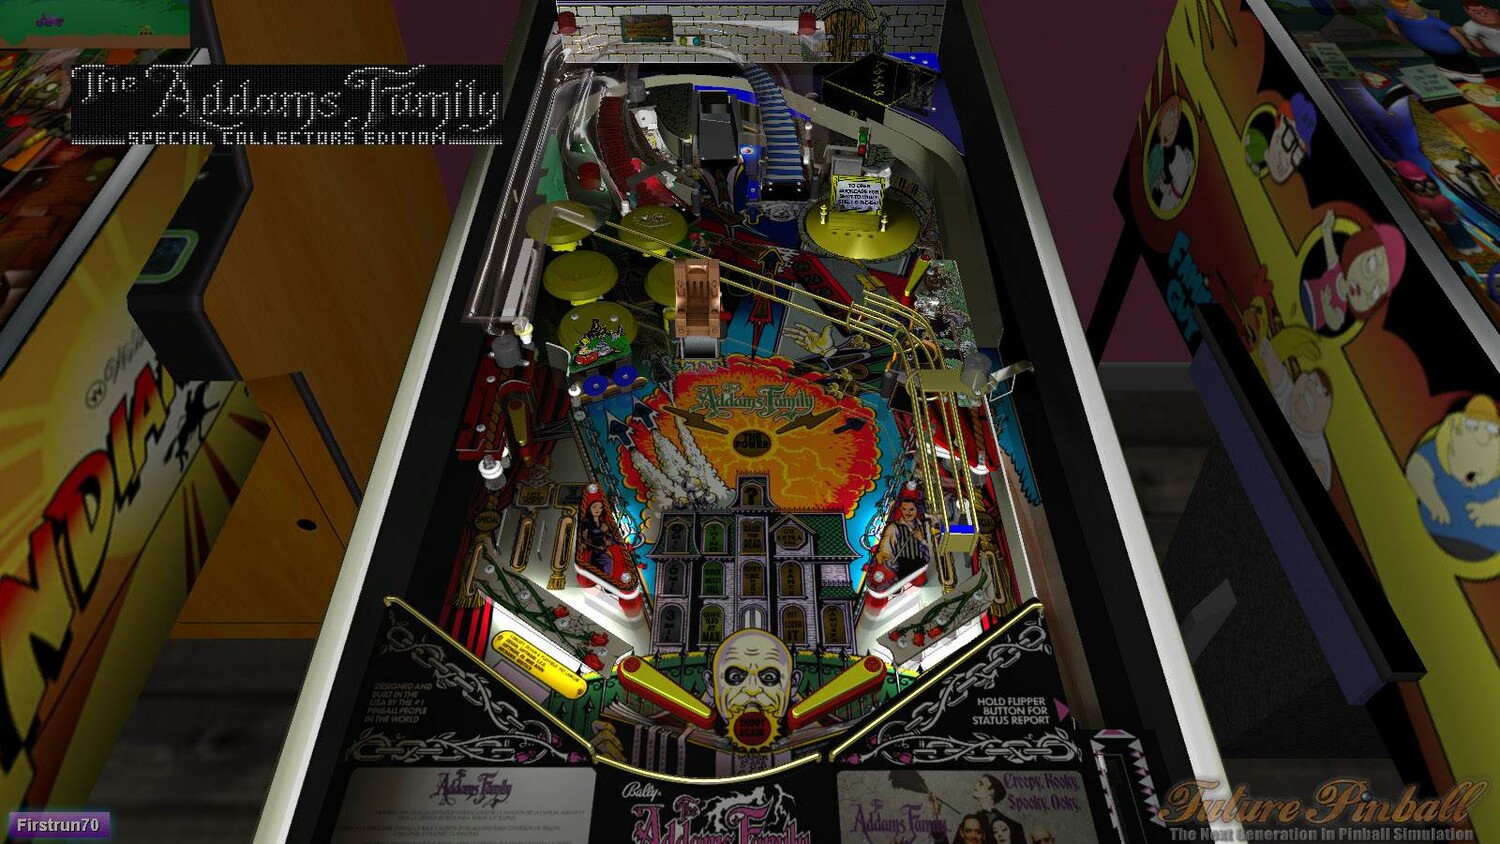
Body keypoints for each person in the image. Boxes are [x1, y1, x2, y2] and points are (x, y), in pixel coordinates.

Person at [1405, 394, 1500, 560]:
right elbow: (1416, 468)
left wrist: (1493, 512)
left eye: (1491, 429)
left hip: (1485, 546)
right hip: (1436, 534)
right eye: (1473, 425)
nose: (1483, 436)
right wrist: (1433, 502)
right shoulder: (1441, 449)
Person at [1299, 210, 1407, 333]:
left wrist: (1326, 307)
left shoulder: (1342, 305)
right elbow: (1330, 253)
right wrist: (1326, 230)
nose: (1366, 286)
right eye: (1371, 263)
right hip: (1304, 290)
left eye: (1376, 291)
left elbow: (1335, 323)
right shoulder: (1336, 272)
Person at [1256, 336, 1335, 489]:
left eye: (1308, 403)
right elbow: (1281, 382)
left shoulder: (1316, 446)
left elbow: (1322, 476)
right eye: (1302, 395)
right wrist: (1269, 355)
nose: (1301, 405)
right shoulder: (1290, 401)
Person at [1394, 160, 1482, 255]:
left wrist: (1458, 210)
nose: (1429, 190)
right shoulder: (1423, 200)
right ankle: (1463, 247)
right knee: (1454, 234)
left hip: (1452, 219)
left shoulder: (1436, 198)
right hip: (1445, 220)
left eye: (1431, 186)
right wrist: (1430, 220)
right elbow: (1424, 212)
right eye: (1420, 188)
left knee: (1460, 232)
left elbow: (1451, 206)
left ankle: (1471, 245)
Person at [1386, 0, 1484, 83]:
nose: (1404, 11)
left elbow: (1454, 32)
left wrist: (1467, 45)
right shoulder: (1396, 13)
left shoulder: (1433, 21)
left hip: (1452, 46)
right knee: (1443, 60)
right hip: (1430, 48)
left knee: (1461, 60)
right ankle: (1448, 70)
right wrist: (1397, 33)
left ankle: (1470, 73)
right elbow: (1390, 18)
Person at [1245, 94, 1317, 184]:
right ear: (1278, 123)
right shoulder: (1254, 140)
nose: (1287, 161)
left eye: (1298, 153)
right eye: (1289, 137)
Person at [1147, 97, 1195, 212]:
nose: (1174, 124)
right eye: (1171, 114)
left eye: (1176, 121)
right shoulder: (1157, 151)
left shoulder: (1166, 154)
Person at [972, 774, 1027, 844]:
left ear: (991, 792)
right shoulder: (969, 823)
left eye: (981, 784)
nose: (976, 786)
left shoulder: (1015, 827)